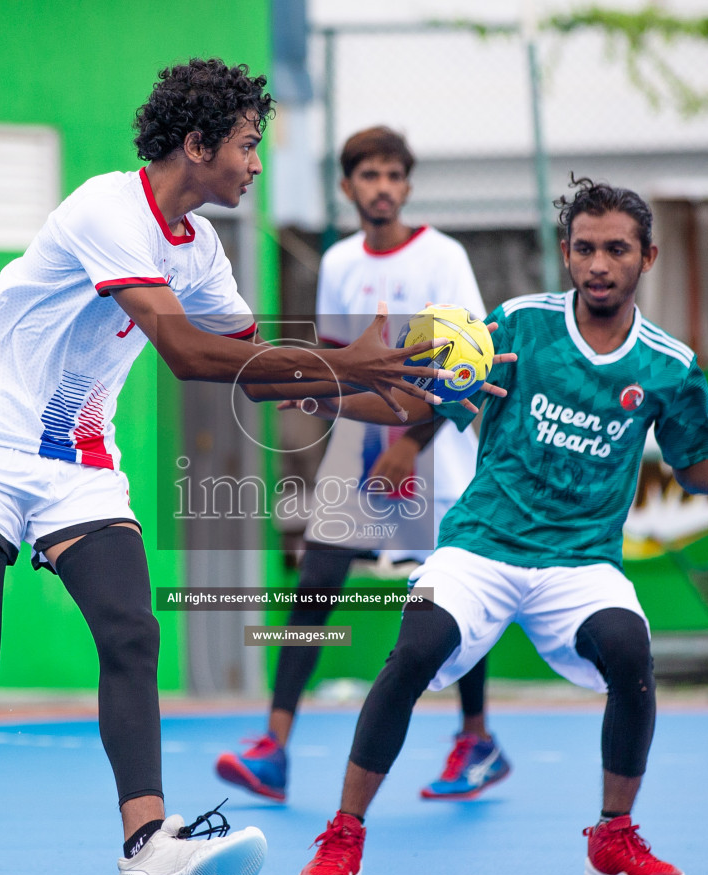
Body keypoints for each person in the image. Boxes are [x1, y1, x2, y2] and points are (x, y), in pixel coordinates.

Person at [0, 59, 451, 875]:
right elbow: (190, 357)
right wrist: (354, 360)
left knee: (132, 630)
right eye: (247, 146)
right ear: (196, 145)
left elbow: (256, 375)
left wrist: (398, 394)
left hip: (77, 459)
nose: (257, 164)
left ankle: (145, 848)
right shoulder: (106, 210)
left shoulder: (202, 247)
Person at [292, 177, 708, 875]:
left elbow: (694, 469)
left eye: (616, 249)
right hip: (482, 545)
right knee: (412, 652)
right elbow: (436, 395)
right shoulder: (519, 325)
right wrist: (385, 385)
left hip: (580, 563)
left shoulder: (669, 365)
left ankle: (613, 836)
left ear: (647, 258)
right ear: (566, 253)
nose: (599, 263)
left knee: (630, 652)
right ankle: (343, 835)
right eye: (585, 248)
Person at [215, 126, 509, 804]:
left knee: (450, 593)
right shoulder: (342, 263)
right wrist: (343, 431)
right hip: (362, 448)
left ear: (407, 186)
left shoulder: (444, 257)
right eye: (368, 176)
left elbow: (470, 365)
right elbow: (342, 368)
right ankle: (274, 746)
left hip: (439, 451)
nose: (382, 188)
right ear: (348, 188)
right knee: (316, 582)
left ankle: (477, 738)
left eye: (393, 175)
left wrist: (410, 444)